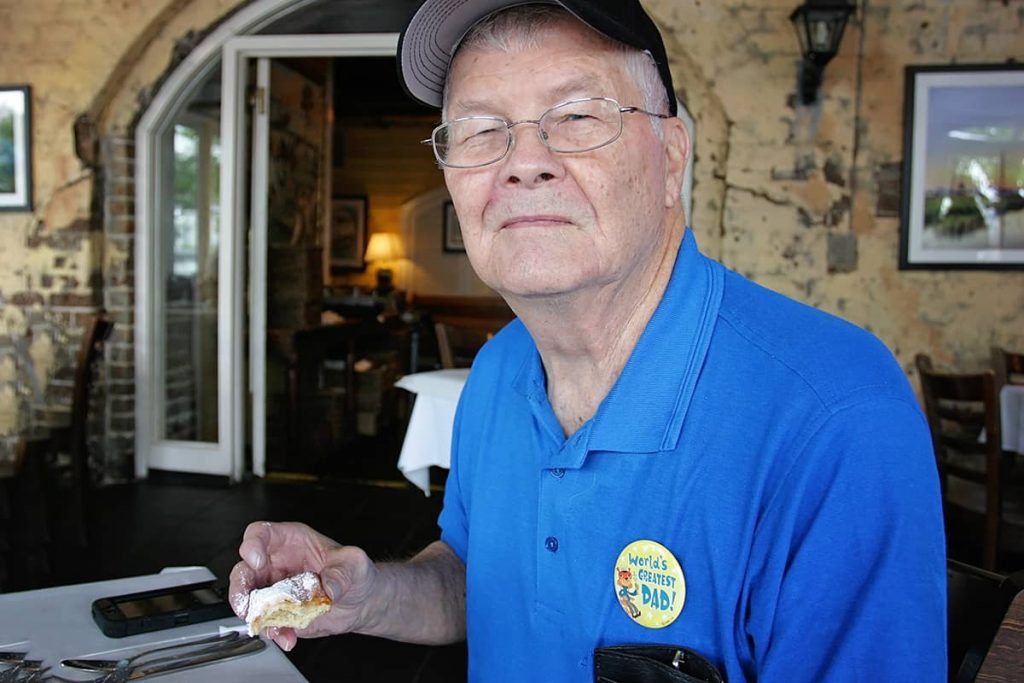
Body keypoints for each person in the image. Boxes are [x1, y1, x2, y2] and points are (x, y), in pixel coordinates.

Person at [230, 1, 947, 680]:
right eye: (481, 129)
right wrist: (367, 592)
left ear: (672, 156)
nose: (523, 160)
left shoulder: (836, 419)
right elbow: (481, 578)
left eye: (576, 115)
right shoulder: (498, 369)